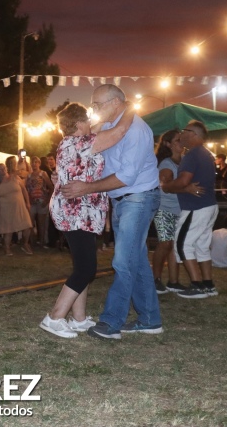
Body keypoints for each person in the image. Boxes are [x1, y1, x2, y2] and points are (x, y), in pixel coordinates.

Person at [61, 84, 162, 340]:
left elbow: (127, 176)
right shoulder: (109, 127)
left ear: (116, 103)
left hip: (137, 197)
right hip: (122, 200)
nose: (93, 109)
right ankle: (150, 319)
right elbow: (85, 148)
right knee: (135, 260)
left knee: (122, 261)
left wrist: (87, 187)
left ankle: (112, 322)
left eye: (97, 104)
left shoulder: (137, 130)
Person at [40, 102, 131, 338]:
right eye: (87, 121)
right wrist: (130, 108)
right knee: (87, 268)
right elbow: (119, 131)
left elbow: (97, 127)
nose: (92, 124)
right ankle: (55, 317)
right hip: (76, 211)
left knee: (82, 265)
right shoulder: (82, 144)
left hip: (80, 211)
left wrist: (96, 119)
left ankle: (79, 318)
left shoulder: (71, 142)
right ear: (80, 124)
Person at [162, 120, 219, 299]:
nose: (181, 135)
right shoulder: (207, 154)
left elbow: (184, 181)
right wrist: (182, 188)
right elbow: (187, 185)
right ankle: (208, 284)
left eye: (184, 132)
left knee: (183, 244)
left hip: (196, 207)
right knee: (201, 246)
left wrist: (168, 186)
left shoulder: (192, 155)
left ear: (193, 134)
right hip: (208, 205)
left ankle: (196, 285)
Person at [152, 130, 187, 294]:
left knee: (174, 245)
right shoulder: (166, 163)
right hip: (164, 209)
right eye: (177, 140)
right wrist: (186, 187)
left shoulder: (185, 162)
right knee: (165, 243)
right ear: (168, 144)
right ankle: (155, 279)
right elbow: (165, 183)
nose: (182, 142)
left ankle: (174, 281)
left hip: (180, 209)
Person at [0, 156, 34, 256]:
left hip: (20, 206)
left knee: (27, 226)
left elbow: (24, 190)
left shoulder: (15, 177)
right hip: (5, 208)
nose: (2, 170)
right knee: (8, 230)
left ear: (6, 168)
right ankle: (7, 248)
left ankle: (25, 244)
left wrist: (28, 202)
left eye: (3, 168)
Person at [26, 156, 54, 247]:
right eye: (32, 162)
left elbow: (51, 187)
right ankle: (32, 241)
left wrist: (47, 200)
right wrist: (28, 199)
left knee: (41, 224)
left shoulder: (43, 174)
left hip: (42, 202)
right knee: (30, 222)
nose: (34, 164)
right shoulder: (29, 175)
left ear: (39, 163)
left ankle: (42, 242)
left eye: (36, 162)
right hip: (32, 202)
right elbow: (26, 189)